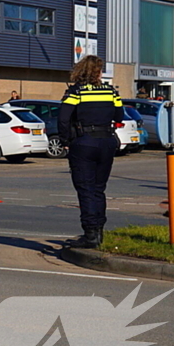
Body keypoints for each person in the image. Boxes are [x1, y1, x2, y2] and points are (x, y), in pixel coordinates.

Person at [57, 55, 124, 249]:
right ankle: (99, 232)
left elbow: (63, 118)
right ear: (99, 72)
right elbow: (120, 115)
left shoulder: (76, 92)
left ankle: (90, 234)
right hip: (107, 141)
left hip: (84, 142)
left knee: (85, 189)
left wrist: (65, 140)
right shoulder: (111, 91)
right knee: (98, 189)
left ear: (80, 70)